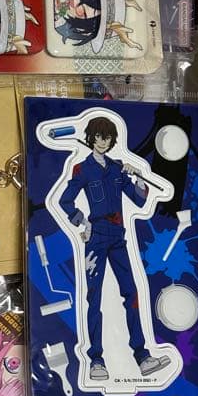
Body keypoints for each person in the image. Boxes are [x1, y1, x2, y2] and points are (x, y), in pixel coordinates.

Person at [58, 115, 167, 380]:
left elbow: (138, 201)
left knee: (131, 292)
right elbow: (65, 201)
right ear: (91, 138)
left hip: (118, 236)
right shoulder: (82, 169)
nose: (103, 141)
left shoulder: (117, 168)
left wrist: (137, 178)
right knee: (94, 297)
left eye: (107, 137)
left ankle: (142, 356)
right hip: (95, 237)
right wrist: (83, 222)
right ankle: (97, 360)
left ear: (112, 140)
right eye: (98, 136)